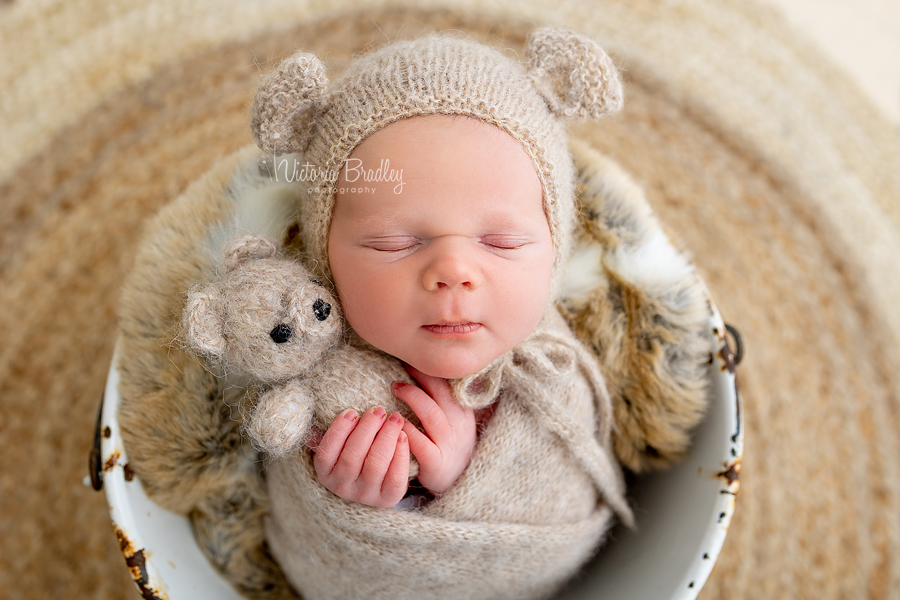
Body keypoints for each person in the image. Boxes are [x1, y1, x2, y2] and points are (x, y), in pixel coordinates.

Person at [250, 27, 633, 600]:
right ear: (321, 256)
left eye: (501, 242)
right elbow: (307, 540)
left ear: (555, 250)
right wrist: (358, 496)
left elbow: (564, 499)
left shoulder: (554, 374)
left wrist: (466, 477)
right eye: (392, 244)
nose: (454, 271)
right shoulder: (304, 360)